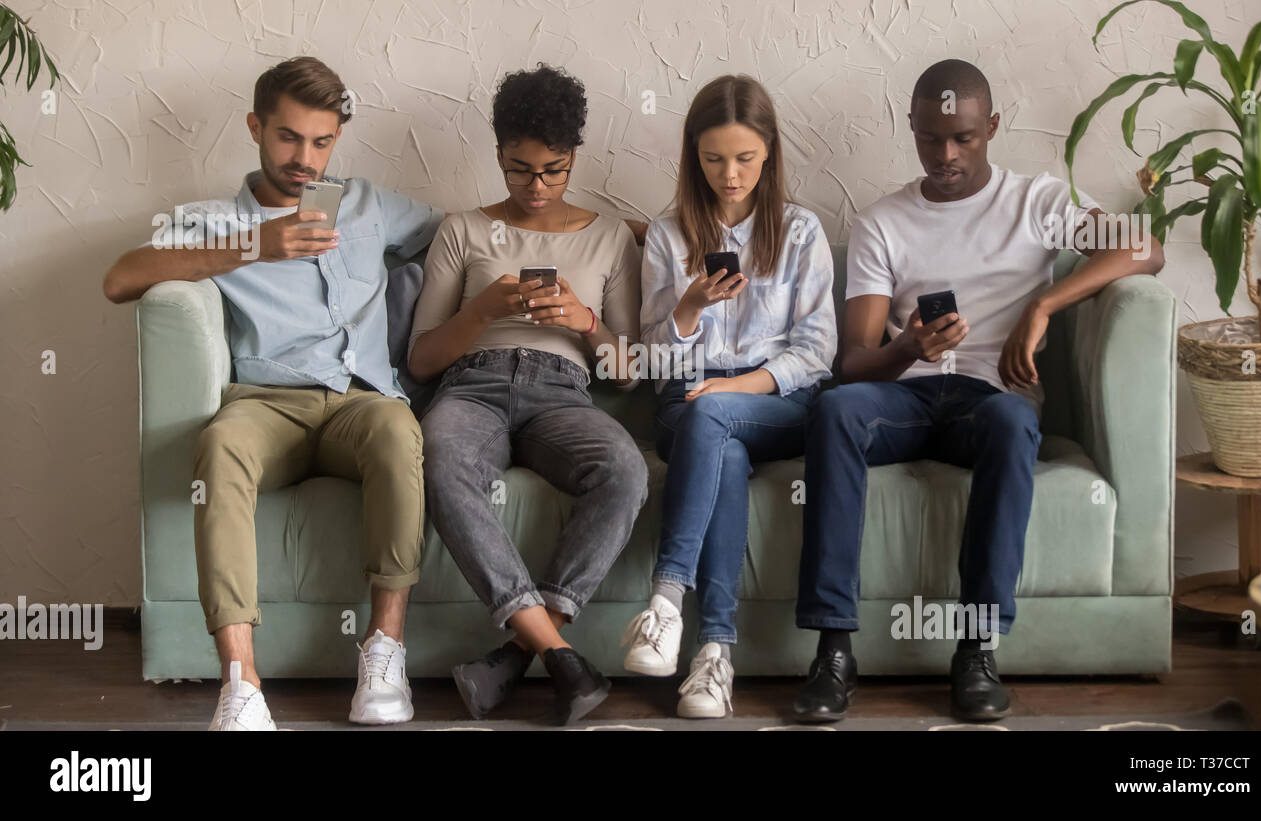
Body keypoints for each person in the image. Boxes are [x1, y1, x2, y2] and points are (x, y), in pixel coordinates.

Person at [792, 59, 1165, 723]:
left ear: (991, 127)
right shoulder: (884, 222)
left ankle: (976, 649)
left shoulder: (1039, 203)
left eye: (964, 137)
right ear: (910, 128)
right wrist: (907, 346)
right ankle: (834, 649)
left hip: (991, 398)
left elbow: (1144, 246)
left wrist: (1044, 303)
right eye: (931, 138)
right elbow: (854, 363)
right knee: (836, 408)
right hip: (905, 400)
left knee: (1010, 423)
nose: (947, 154)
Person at [102, 57, 442, 729]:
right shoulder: (214, 220)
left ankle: (384, 651)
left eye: (321, 141)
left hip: (361, 402)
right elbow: (121, 278)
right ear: (257, 127)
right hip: (265, 404)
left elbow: (469, 232)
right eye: (288, 137)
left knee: (401, 430)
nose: (304, 158)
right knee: (221, 444)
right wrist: (251, 245)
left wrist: (619, 232)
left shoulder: (371, 205)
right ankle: (241, 681)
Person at [407, 64, 648, 726]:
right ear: (497, 155)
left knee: (625, 470)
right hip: (472, 385)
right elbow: (422, 358)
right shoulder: (462, 229)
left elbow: (628, 370)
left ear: (575, 157)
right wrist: (482, 309)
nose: (536, 187)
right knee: (438, 454)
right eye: (518, 169)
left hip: (563, 393)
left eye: (553, 170)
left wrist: (585, 321)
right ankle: (561, 655)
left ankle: (517, 654)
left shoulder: (608, 238)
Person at [620, 75, 836, 719]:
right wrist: (687, 307)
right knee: (723, 448)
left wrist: (735, 387)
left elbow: (818, 351)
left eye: (744, 158)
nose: (730, 174)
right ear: (693, 156)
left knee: (714, 414)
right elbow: (656, 360)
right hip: (688, 403)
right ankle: (714, 656)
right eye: (713, 159)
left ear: (768, 151)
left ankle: (664, 603)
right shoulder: (667, 234)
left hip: (777, 403)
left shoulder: (799, 232)